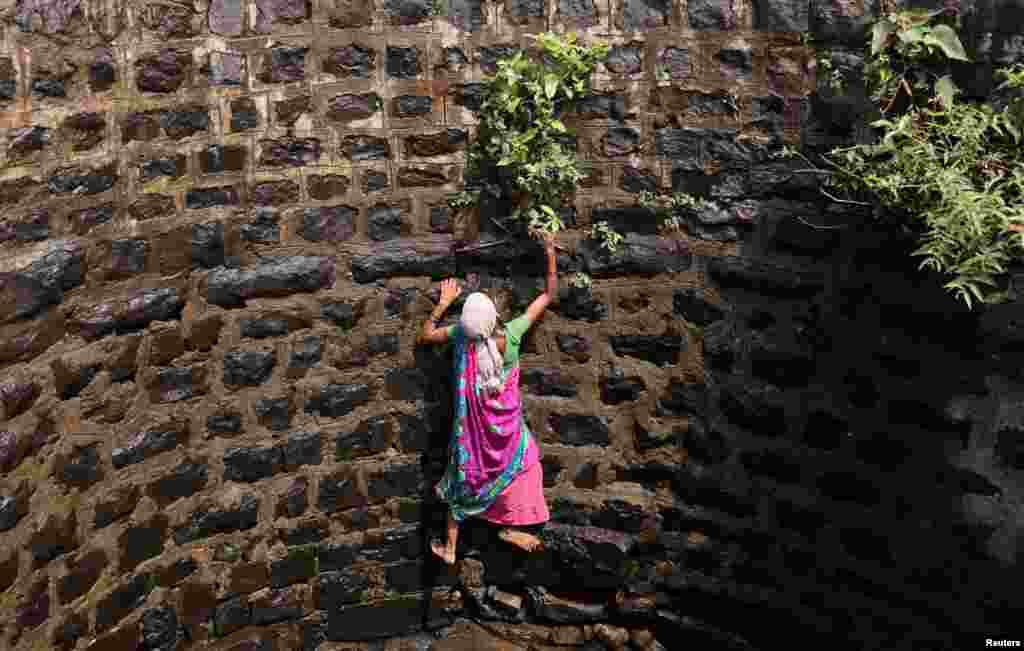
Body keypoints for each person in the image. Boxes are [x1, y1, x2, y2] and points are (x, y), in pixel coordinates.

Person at [417, 231, 558, 565]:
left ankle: (451, 548)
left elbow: (425, 335)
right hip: (506, 432)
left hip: (471, 437)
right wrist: (550, 251)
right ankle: (510, 525)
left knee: (462, 476)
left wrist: (443, 303)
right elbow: (549, 294)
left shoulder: (459, 338)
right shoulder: (511, 336)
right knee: (525, 463)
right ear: (494, 318)